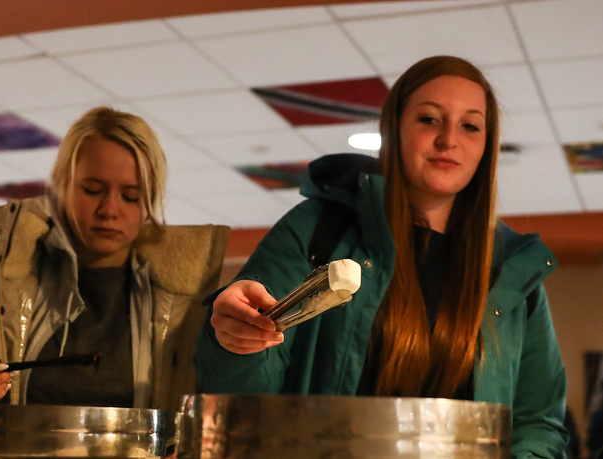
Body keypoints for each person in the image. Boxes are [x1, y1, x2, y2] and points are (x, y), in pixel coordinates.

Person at [195, 56, 568, 457]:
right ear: (393, 128)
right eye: (429, 119)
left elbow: (538, 422)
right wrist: (234, 340)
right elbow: (241, 397)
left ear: (486, 147)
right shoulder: (316, 228)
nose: (448, 139)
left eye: (470, 126)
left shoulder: (514, 268)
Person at [0, 106, 229, 413]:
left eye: (130, 196)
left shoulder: (187, 295)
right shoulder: (0, 277)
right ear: (61, 185)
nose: (109, 210)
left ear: (150, 201)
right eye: (92, 190)